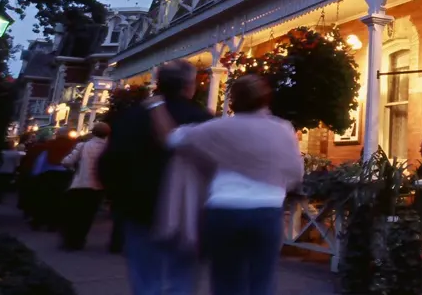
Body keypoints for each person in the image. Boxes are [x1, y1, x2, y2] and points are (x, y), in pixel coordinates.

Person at [144, 74, 304, 295]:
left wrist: (157, 105)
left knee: (226, 281)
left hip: (224, 210)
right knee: (262, 280)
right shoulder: (283, 129)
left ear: (233, 100)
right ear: (266, 99)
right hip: (267, 209)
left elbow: (171, 139)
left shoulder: (217, 128)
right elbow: (296, 171)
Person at [98, 61, 211, 295]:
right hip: (186, 210)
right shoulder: (202, 120)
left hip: (139, 207)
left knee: (145, 278)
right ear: (190, 86)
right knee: (181, 278)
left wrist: (117, 199)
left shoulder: (132, 117)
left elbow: (109, 162)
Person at [60, 122, 110, 250]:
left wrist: (73, 169)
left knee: (74, 214)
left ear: (93, 132)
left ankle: (70, 240)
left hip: (80, 185)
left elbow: (66, 161)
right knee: (88, 216)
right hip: (98, 187)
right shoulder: (109, 148)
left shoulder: (83, 146)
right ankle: (80, 239)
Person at [30, 128, 78, 230]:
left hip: (48, 173)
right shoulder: (72, 145)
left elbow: (42, 159)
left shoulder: (50, 144)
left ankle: (38, 221)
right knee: (59, 199)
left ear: (58, 134)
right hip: (65, 174)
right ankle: (53, 224)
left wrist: (36, 173)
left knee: (44, 198)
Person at [0, 141, 24, 206]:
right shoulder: (15, 154)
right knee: (2, 186)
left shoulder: (0, 153)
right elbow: (17, 164)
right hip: (9, 171)